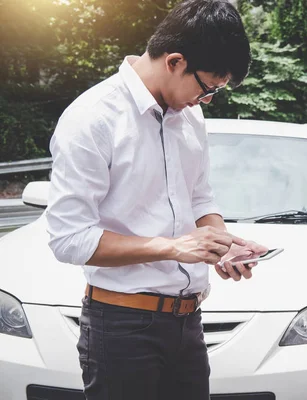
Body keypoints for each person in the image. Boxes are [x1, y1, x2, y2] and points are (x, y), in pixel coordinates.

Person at [45, 1, 267, 399]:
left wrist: (220, 242)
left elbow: (199, 194)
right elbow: (69, 239)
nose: (207, 100)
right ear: (175, 61)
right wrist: (174, 247)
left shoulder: (190, 116)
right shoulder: (92, 119)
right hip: (121, 328)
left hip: (188, 323)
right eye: (207, 88)